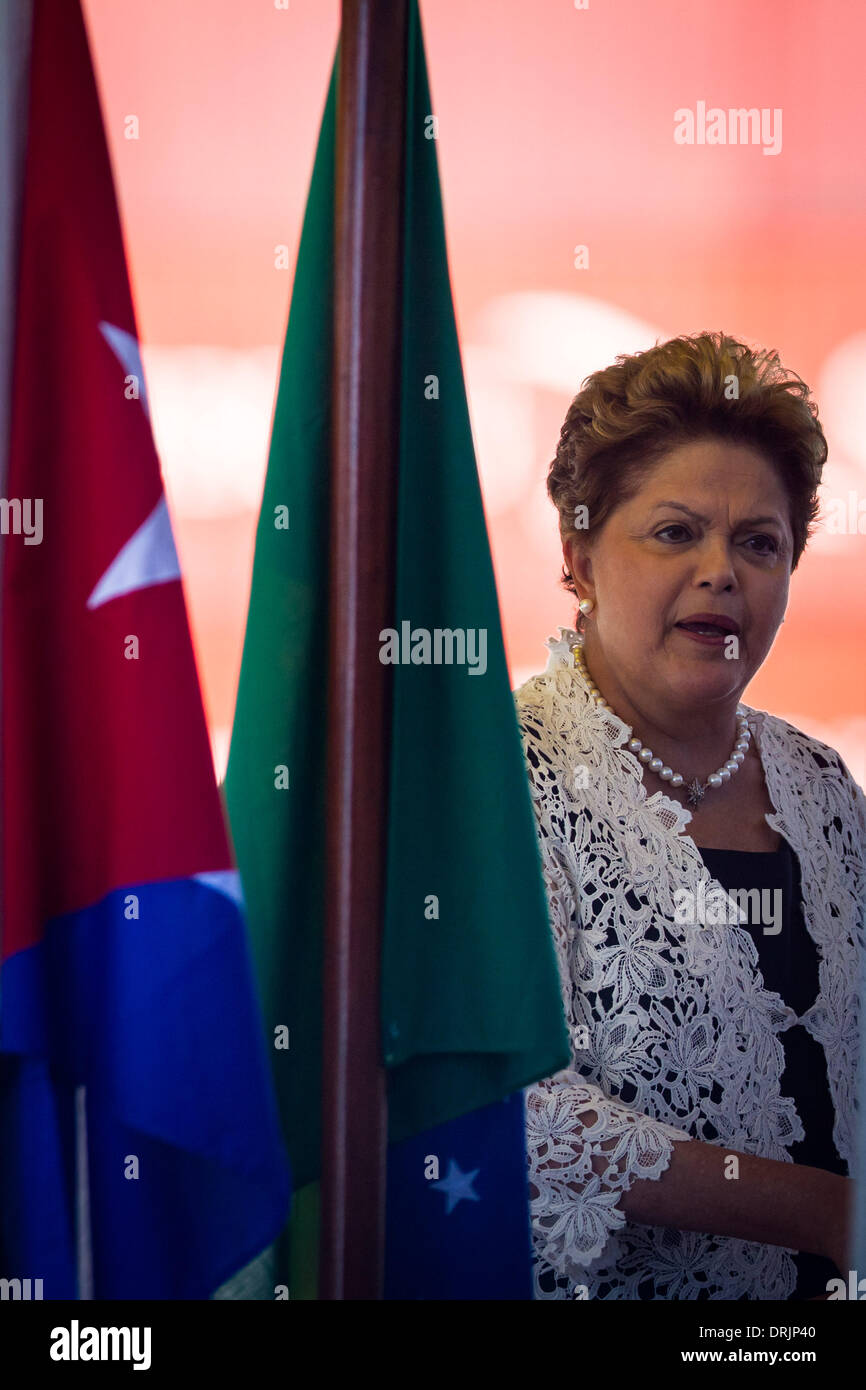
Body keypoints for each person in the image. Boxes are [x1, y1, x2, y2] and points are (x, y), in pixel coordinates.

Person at [515, 331, 865, 1300]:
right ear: (577, 555)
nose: (721, 571)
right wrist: (819, 1210)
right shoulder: (505, 774)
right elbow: (511, 1105)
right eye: (675, 532)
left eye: (758, 542)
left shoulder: (822, 786)